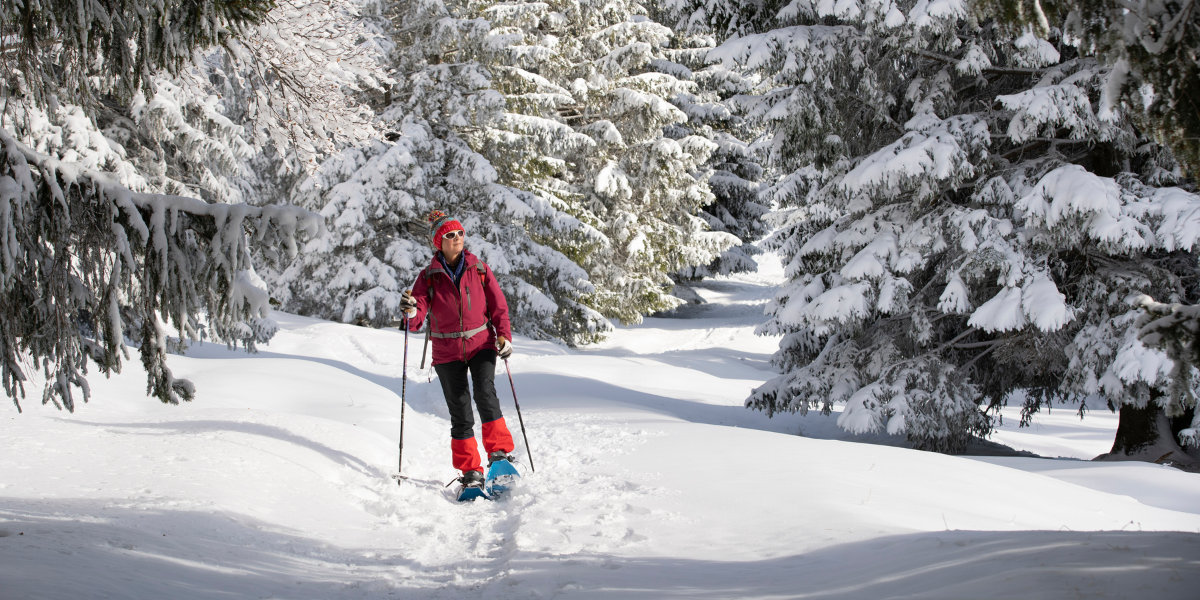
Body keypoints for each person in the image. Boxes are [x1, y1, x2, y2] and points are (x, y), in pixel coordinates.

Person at [399, 210, 516, 492]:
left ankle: (499, 456)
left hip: (481, 344)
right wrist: (411, 311)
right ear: (439, 242)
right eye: (450, 235)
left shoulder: (479, 269)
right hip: (446, 350)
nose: (457, 239)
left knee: (486, 395)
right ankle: (470, 472)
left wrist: (504, 336)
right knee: (460, 410)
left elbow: (498, 307)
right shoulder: (428, 277)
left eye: (460, 233)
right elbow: (415, 319)